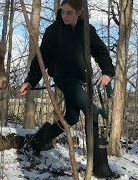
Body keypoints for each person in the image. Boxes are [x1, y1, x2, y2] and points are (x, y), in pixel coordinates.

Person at [19, 0, 117, 178]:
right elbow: (42, 59)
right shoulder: (53, 31)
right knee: (92, 112)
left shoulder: (87, 30)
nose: (65, 16)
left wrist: (108, 73)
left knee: (71, 117)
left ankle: (35, 142)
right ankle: (100, 167)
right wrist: (30, 81)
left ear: (79, 12)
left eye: (69, 12)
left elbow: (101, 52)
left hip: (80, 80)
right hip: (64, 79)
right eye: (63, 12)